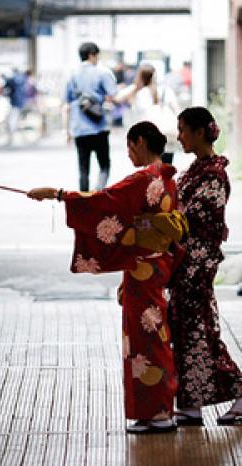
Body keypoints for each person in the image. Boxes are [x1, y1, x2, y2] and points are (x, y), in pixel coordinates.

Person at [26, 122, 187, 434]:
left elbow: (104, 202)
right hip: (157, 265)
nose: (128, 154)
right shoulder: (165, 178)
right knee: (155, 334)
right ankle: (162, 409)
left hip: (144, 265)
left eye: (129, 146)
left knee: (145, 339)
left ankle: (157, 414)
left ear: (140, 142)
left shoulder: (144, 177)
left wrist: (57, 194)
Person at [169, 107, 242, 426]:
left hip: (196, 264)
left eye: (182, 129)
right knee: (189, 329)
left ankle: (240, 395)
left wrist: (163, 223)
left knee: (197, 329)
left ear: (198, 132)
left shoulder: (213, 174)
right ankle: (192, 404)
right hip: (185, 263)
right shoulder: (199, 169)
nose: (179, 136)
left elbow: (192, 220)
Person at [65, 42, 117, 191]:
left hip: (79, 130)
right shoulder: (102, 72)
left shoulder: (72, 75)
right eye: (97, 56)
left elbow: (66, 105)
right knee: (104, 166)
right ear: (92, 55)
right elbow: (114, 95)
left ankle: (83, 202)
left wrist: (67, 130)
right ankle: (97, 193)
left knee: (83, 169)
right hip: (99, 127)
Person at [115, 64, 180, 164]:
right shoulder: (165, 90)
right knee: (166, 168)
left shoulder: (138, 92)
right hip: (166, 134)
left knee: (150, 171)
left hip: (147, 138)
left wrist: (135, 86)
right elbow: (177, 110)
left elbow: (118, 98)